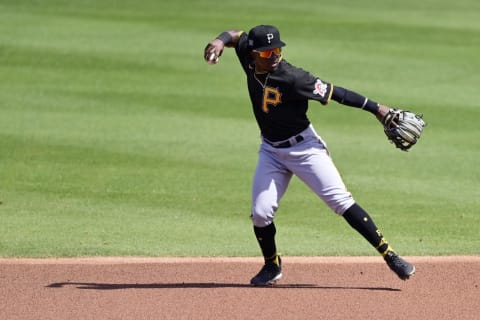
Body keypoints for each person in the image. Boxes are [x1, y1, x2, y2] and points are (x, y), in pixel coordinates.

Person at [203, 25, 415, 286]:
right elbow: (236, 34)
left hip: (305, 149)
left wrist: (378, 109)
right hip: (271, 150)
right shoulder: (248, 55)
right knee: (260, 213)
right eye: (268, 53)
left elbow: (337, 93)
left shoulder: (294, 78)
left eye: (278, 50)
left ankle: (390, 255)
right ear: (255, 54)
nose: (275, 56)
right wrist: (220, 41)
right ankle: (272, 266)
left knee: (341, 201)